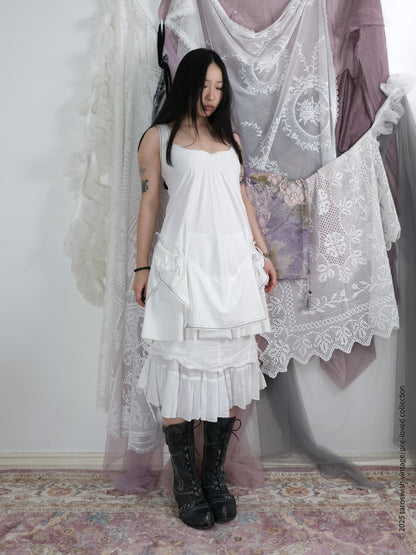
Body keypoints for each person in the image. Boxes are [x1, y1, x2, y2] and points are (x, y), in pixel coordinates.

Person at [133, 48, 277, 529]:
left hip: (232, 268)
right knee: (177, 365)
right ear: (187, 85)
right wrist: (141, 267)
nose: (212, 96)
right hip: (183, 269)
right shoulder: (158, 138)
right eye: (204, 86)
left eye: (219, 88)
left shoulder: (230, 141)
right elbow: (148, 205)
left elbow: (243, 200)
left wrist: (263, 253)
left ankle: (212, 474)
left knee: (228, 367)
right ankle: (185, 480)